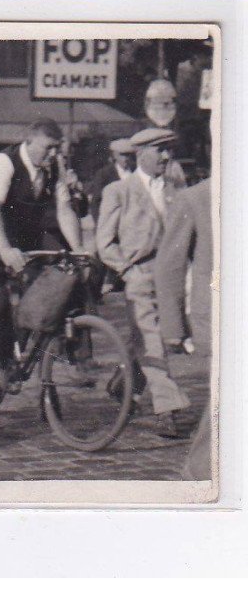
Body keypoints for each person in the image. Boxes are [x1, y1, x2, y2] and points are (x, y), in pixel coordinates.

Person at [0, 118, 83, 401]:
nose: (52, 154)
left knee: (60, 277)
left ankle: (19, 352)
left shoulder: (54, 166)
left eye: (56, 148)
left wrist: (78, 249)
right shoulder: (4, 163)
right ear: (29, 142)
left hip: (21, 234)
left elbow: (64, 210)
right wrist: (5, 250)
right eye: (47, 148)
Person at [96, 128, 191, 437]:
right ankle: (167, 408)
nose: (167, 156)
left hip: (172, 276)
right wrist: (126, 270)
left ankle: (123, 384)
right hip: (138, 275)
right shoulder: (119, 191)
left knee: (151, 337)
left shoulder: (177, 189)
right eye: (160, 149)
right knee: (151, 340)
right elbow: (104, 242)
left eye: (169, 149)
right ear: (141, 153)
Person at [156, 178, 213, 478]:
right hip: (219, 319)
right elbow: (170, 266)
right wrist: (173, 327)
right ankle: (198, 474)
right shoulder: (196, 197)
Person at [88, 138, 136, 223]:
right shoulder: (104, 174)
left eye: (128, 155)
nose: (126, 158)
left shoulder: (135, 171)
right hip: (113, 222)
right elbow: (96, 202)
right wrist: (101, 225)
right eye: (122, 155)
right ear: (115, 155)